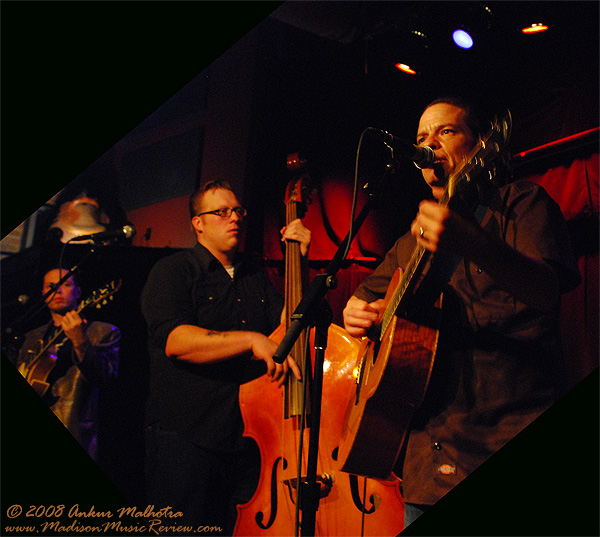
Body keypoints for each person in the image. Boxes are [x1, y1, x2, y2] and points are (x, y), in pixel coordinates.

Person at [342, 97, 581, 528]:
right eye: (421, 137)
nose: (429, 143)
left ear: (480, 145)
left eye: (446, 132)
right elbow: (360, 303)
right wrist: (357, 314)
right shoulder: (407, 242)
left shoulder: (521, 203)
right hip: (426, 462)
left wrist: (472, 242)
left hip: (503, 434)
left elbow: (547, 292)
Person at [140, 180, 310, 534]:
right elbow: (176, 340)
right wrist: (250, 339)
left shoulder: (254, 275)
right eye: (221, 212)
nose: (233, 218)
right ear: (197, 223)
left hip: (250, 439)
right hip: (189, 437)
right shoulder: (175, 270)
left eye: (237, 211)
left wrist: (299, 262)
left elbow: (290, 328)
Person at [14, 268, 120, 461]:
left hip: (72, 427)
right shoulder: (31, 337)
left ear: (78, 292)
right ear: (43, 294)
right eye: (51, 286)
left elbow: (104, 378)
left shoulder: (102, 332)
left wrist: (80, 341)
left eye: (66, 284)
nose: (58, 290)